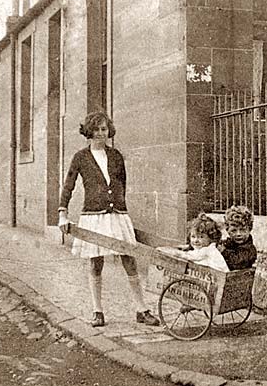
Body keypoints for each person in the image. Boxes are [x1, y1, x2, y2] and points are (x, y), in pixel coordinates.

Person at [58, 111, 159, 327]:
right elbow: (69, 185)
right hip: (94, 217)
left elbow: (122, 183)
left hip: (117, 216)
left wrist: (118, 206)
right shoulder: (80, 157)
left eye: (104, 129)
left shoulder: (116, 156)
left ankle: (141, 309)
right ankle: (98, 311)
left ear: (108, 131)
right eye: (96, 129)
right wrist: (62, 213)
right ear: (88, 132)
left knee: (129, 260)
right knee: (96, 263)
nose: (100, 133)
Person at [158, 213, 229, 272]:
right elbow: (187, 247)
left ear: (211, 239)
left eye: (201, 237)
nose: (196, 240)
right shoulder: (206, 247)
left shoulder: (208, 250)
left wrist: (165, 250)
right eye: (193, 237)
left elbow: (185, 255)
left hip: (219, 278)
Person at [218, 205, 257, 271]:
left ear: (249, 229)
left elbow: (237, 262)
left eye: (243, 230)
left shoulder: (249, 249)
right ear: (227, 230)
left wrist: (223, 251)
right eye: (234, 230)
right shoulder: (229, 243)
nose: (238, 234)